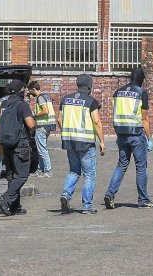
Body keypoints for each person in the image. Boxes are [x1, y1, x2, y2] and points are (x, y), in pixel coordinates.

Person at [104, 68, 153, 209]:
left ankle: (110, 193)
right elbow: (144, 119)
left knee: (122, 165)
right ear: (142, 80)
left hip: (121, 134)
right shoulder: (141, 93)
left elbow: (115, 114)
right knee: (141, 167)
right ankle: (143, 200)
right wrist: (150, 138)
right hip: (136, 134)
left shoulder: (118, 93)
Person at [58, 74, 105, 215]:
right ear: (90, 86)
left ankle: (66, 195)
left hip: (69, 141)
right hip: (86, 143)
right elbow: (97, 122)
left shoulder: (65, 99)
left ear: (77, 85)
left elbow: (59, 119)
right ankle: (87, 206)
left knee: (74, 171)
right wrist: (102, 141)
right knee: (89, 175)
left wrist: (66, 131)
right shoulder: (91, 101)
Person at [0, 80, 36, 216]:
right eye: (24, 90)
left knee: (12, 176)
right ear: (20, 91)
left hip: (6, 143)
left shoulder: (4, 104)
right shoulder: (22, 104)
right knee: (22, 176)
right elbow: (30, 125)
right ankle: (6, 199)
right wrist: (35, 122)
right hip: (20, 143)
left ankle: (14, 207)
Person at [27, 80, 57, 177]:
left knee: (42, 150)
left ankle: (48, 171)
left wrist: (35, 115)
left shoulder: (40, 98)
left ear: (33, 89)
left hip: (42, 126)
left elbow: (45, 111)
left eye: (30, 91)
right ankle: (40, 170)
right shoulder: (46, 96)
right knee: (41, 149)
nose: (30, 93)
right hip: (48, 126)